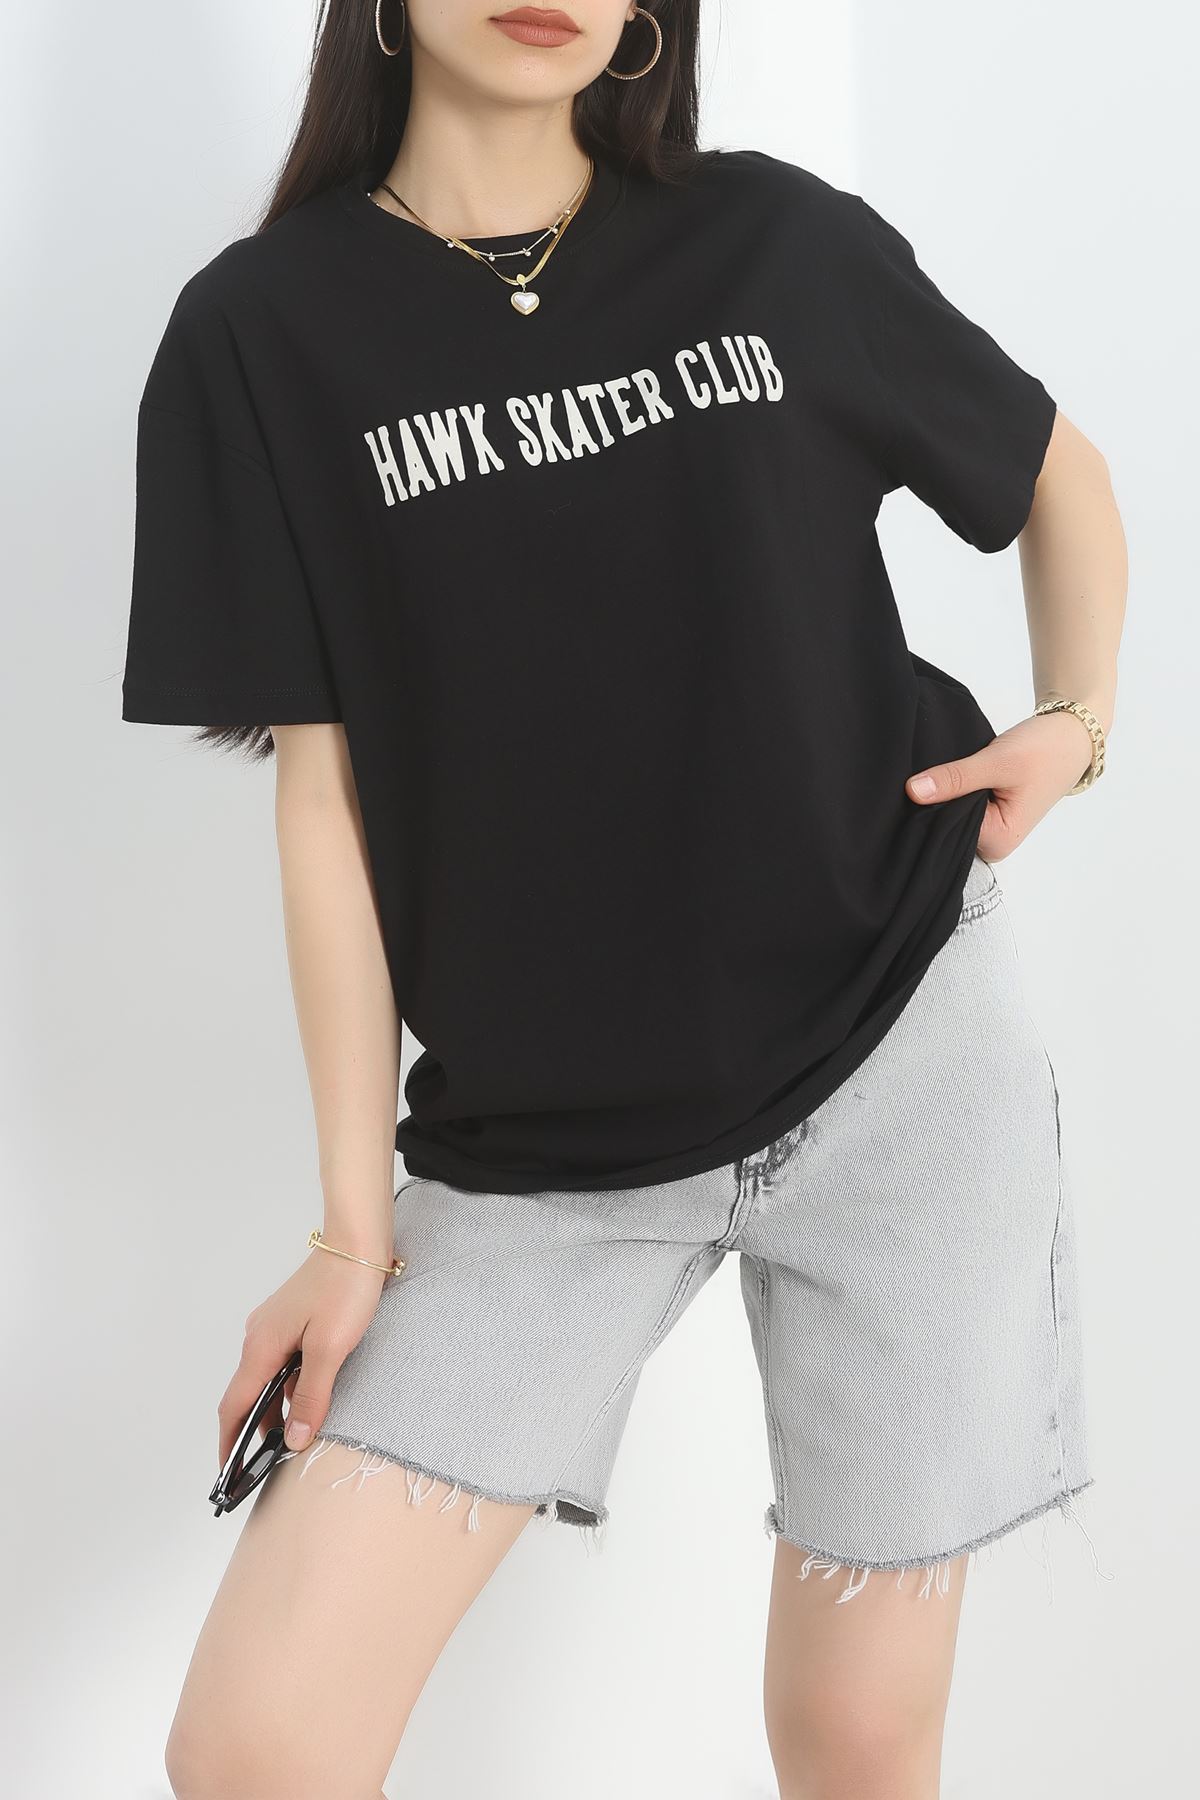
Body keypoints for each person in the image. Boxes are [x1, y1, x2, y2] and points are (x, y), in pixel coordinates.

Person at [120, 3, 1126, 1796]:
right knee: (262, 1743)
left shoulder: (774, 238)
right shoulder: (263, 332)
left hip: (903, 1056)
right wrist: (351, 1233)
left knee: (859, 1737)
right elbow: (324, 801)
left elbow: (1059, 472)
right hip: (544, 1148)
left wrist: (1078, 720)